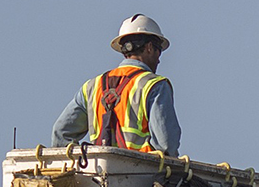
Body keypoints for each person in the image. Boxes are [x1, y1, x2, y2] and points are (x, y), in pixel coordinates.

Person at [50, 14, 181, 154]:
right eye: (158, 51)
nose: (159, 60)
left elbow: (61, 134)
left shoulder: (92, 86)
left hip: (96, 171)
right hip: (142, 172)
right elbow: (166, 144)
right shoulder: (154, 85)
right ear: (149, 47)